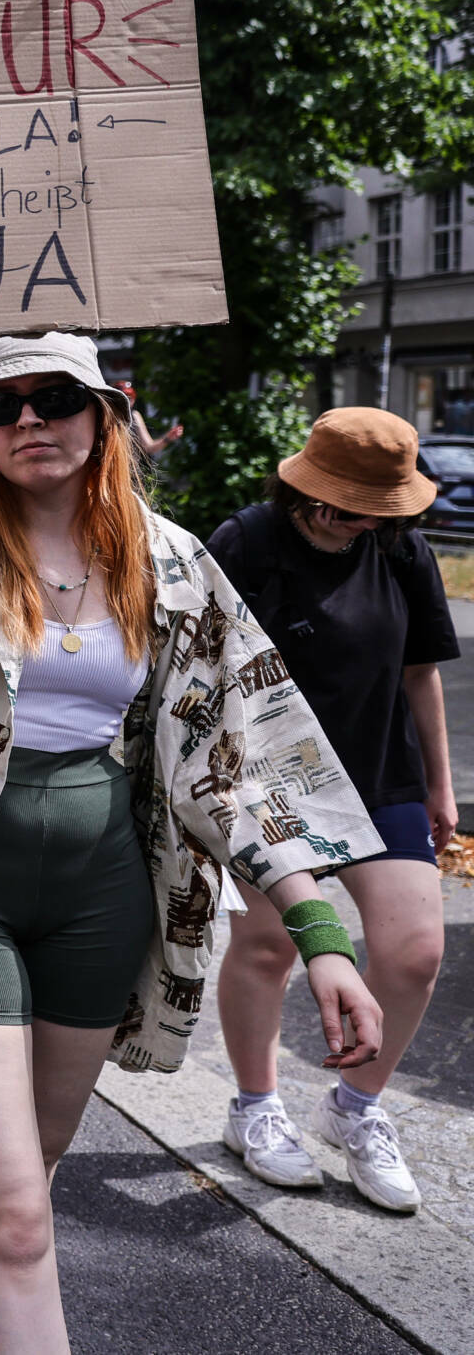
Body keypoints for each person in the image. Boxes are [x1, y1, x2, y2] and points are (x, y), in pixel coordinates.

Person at [0, 237, 385, 1355]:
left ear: (105, 415)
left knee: (27, 1176)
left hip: (102, 897)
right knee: (20, 1215)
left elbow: (242, 755)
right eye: (1, 404)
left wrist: (321, 933)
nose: (32, 418)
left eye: (58, 397)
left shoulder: (170, 564)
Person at [208, 408, 456, 1212]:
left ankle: (355, 1108)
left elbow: (422, 675)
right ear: (306, 490)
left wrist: (441, 787)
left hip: (382, 774)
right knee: (268, 946)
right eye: (347, 506)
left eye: (378, 509)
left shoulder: (401, 549)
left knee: (415, 951)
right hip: (270, 784)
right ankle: (254, 1110)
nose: (360, 523)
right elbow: (194, 674)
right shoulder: (245, 543)